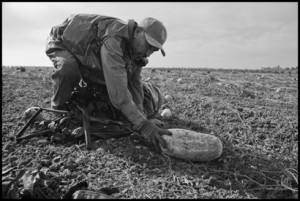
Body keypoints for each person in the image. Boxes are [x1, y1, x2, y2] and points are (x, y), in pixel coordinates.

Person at [45, 14, 172, 152]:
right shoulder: (114, 39)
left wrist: (143, 118)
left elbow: (135, 86)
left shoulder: (137, 53)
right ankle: (58, 109)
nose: (148, 52)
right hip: (65, 41)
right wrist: (144, 126)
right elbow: (118, 94)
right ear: (137, 32)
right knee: (69, 68)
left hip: (91, 57)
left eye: (153, 50)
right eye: (148, 45)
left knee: (107, 98)